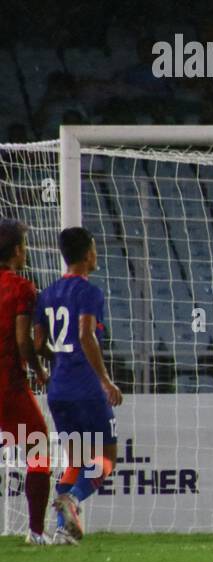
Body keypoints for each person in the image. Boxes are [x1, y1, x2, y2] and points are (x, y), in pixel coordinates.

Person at [35, 227, 124, 544]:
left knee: (75, 459)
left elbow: (37, 343)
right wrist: (105, 380)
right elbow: (86, 335)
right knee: (107, 457)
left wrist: (58, 360)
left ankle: (62, 529)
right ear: (88, 253)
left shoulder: (46, 294)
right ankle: (73, 499)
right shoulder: (90, 293)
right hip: (85, 386)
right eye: (95, 248)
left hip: (58, 389)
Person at [0, 220, 52, 544]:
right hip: (8, 384)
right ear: (18, 251)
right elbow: (24, 342)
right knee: (39, 450)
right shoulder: (22, 288)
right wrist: (38, 370)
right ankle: (35, 532)